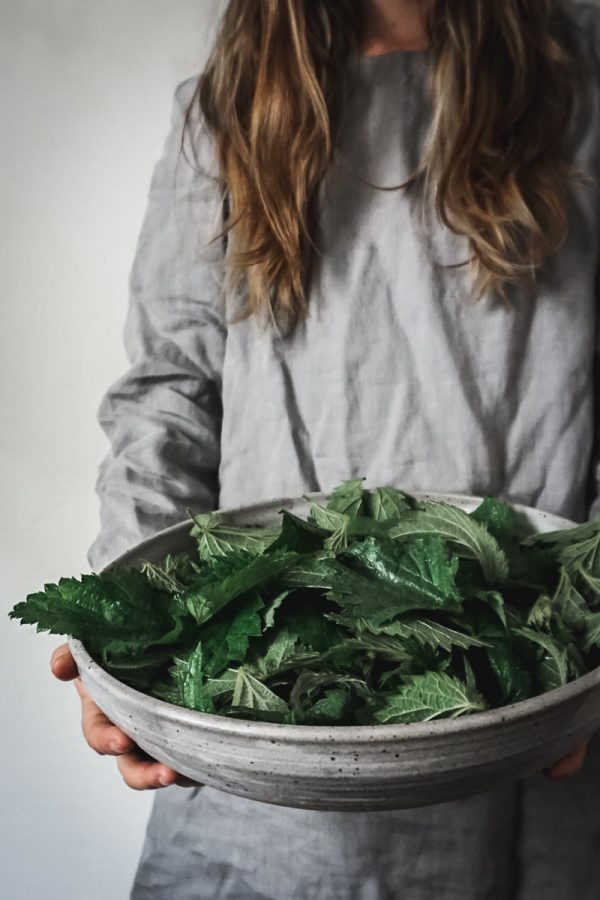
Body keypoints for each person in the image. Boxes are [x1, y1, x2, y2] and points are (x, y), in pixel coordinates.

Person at [50, 0, 600, 896]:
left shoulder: (581, 78)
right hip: (266, 711)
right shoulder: (227, 108)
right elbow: (171, 397)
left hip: (527, 706)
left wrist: (582, 667)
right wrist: (126, 635)